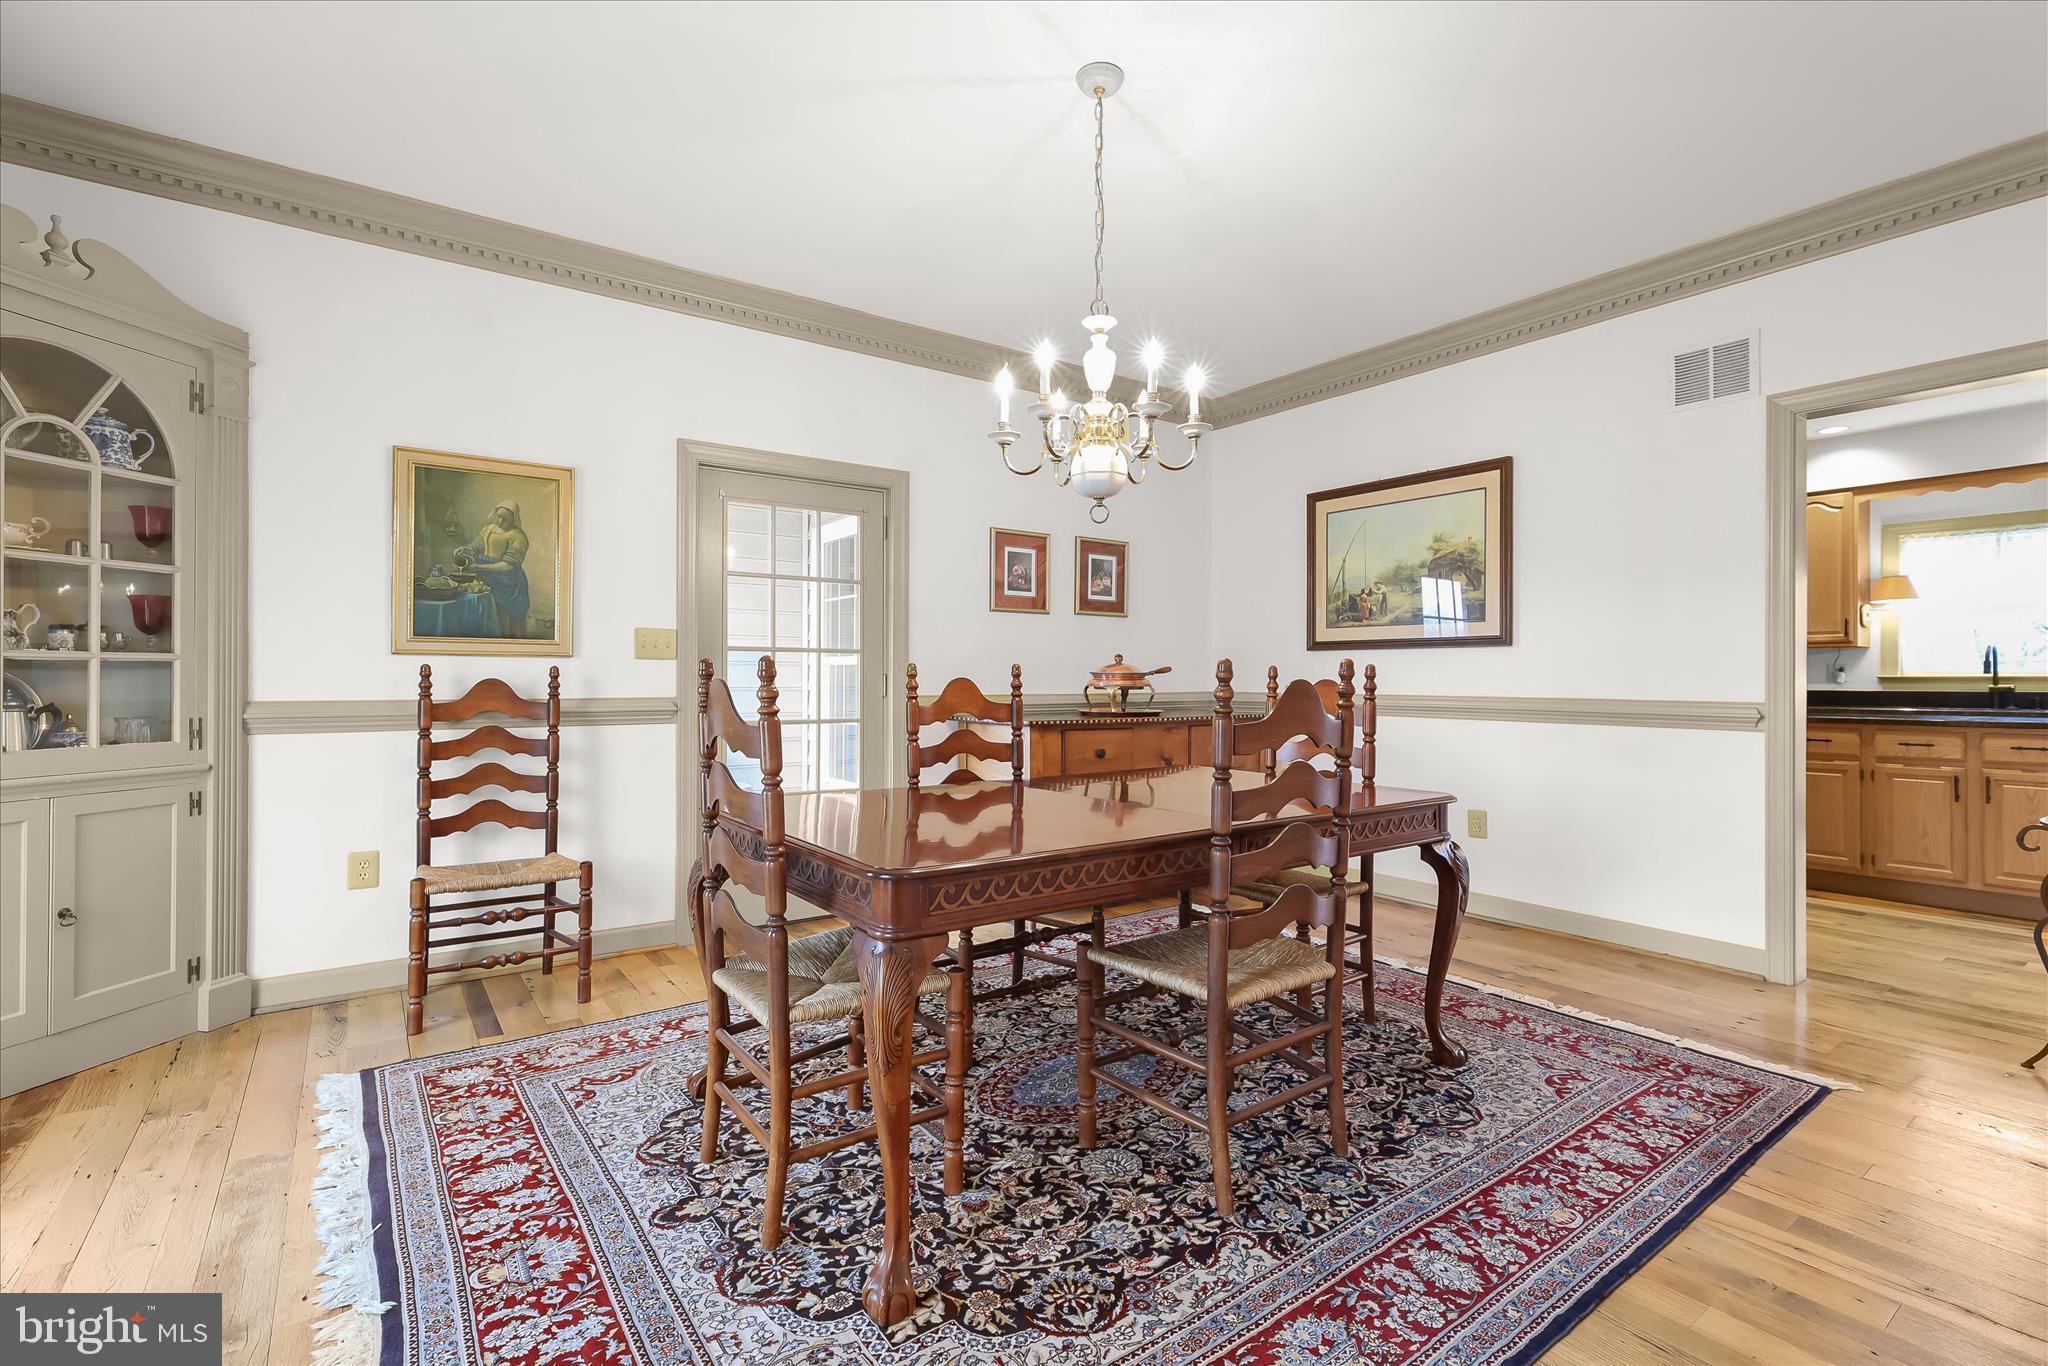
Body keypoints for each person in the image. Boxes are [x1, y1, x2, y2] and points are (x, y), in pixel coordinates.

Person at [459, 500, 531, 637]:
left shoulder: (518, 536)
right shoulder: (488, 529)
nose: (501, 520)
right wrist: (465, 549)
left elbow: (509, 565)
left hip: (509, 583)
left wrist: (480, 567)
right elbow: (476, 547)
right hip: (487, 579)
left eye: (506, 519)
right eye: (498, 516)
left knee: (507, 618)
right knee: (491, 615)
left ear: (514, 519)